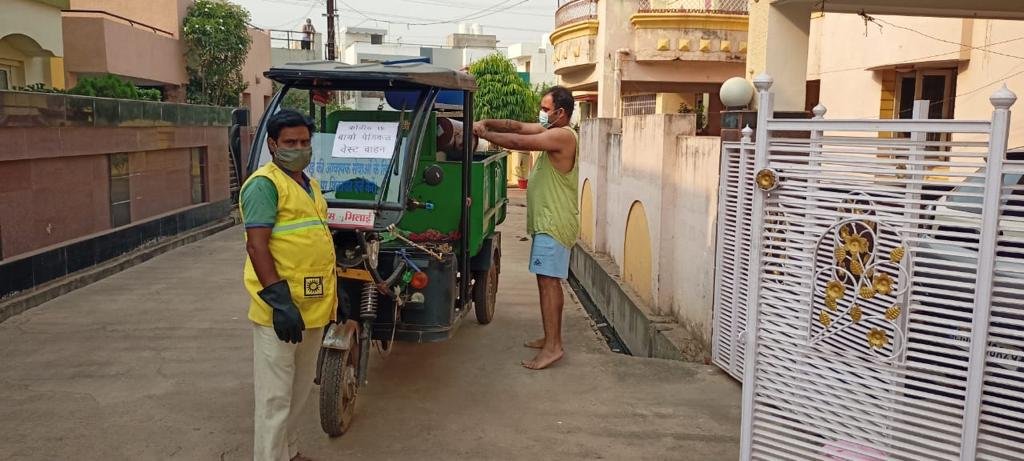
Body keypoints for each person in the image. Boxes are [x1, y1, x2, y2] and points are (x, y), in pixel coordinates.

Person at [240, 110, 337, 461]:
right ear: (272, 144)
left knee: (297, 394)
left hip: (311, 309)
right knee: (274, 399)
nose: (299, 148)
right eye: (290, 143)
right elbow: (257, 245)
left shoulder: (307, 183)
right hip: (280, 312)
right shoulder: (264, 185)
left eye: (305, 142)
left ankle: (289, 453)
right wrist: (280, 302)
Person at [473, 86, 578, 370]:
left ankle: (553, 347)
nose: (541, 114)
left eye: (545, 110)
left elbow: (519, 141)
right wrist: (485, 122)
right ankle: (550, 338)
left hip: (555, 222)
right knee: (547, 280)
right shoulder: (551, 129)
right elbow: (517, 126)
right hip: (549, 221)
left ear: (560, 113)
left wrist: (485, 135)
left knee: (548, 282)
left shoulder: (562, 135)